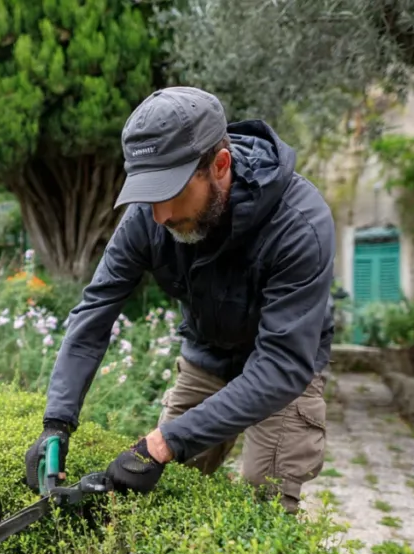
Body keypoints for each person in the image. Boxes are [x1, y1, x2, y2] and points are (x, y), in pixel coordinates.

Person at [24, 86, 336, 514]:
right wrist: (56, 422)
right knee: (161, 491)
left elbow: (282, 363)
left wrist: (166, 440)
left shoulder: (299, 224)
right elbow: (95, 311)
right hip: (207, 356)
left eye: (170, 193)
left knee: (262, 505)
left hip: (283, 367)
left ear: (220, 165)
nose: (160, 217)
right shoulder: (148, 217)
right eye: (149, 195)